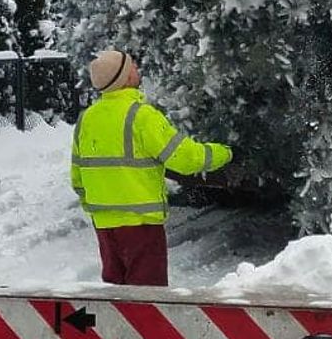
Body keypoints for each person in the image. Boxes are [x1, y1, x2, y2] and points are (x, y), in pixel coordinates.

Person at [71, 48, 232, 287]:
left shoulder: (87, 119)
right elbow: (185, 158)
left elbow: (77, 177)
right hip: (141, 224)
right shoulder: (141, 116)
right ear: (125, 78)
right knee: (147, 298)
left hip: (104, 225)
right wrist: (225, 153)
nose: (137, 69)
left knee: (115, 295)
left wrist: (99, 208)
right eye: (132, 66)